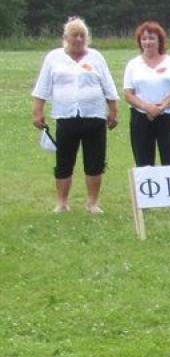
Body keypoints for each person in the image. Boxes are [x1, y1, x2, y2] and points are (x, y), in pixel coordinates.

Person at [31, 17, 118, 215]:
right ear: (66, 37)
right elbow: (42, 87)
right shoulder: (54, 58)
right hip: (66, 117)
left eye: (82, 35)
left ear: (87, 37)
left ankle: (93, 203)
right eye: (74, 35)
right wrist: (37, 112)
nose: (78, 39)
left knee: (95, 162)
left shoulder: (96, 57)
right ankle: (62, 202)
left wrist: (113, 110)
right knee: (64, 162)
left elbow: (109, 86)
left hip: (94, 116)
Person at [123, 21, 170, 214]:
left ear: (159, 40)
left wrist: (162, 105)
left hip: (168, 116)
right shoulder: (133, 64)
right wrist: (147, 107)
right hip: (142, 118)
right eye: (144, 38)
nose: (148, 42)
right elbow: (128, 93)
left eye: (151, 38)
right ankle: (147, 201)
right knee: (143, 158)